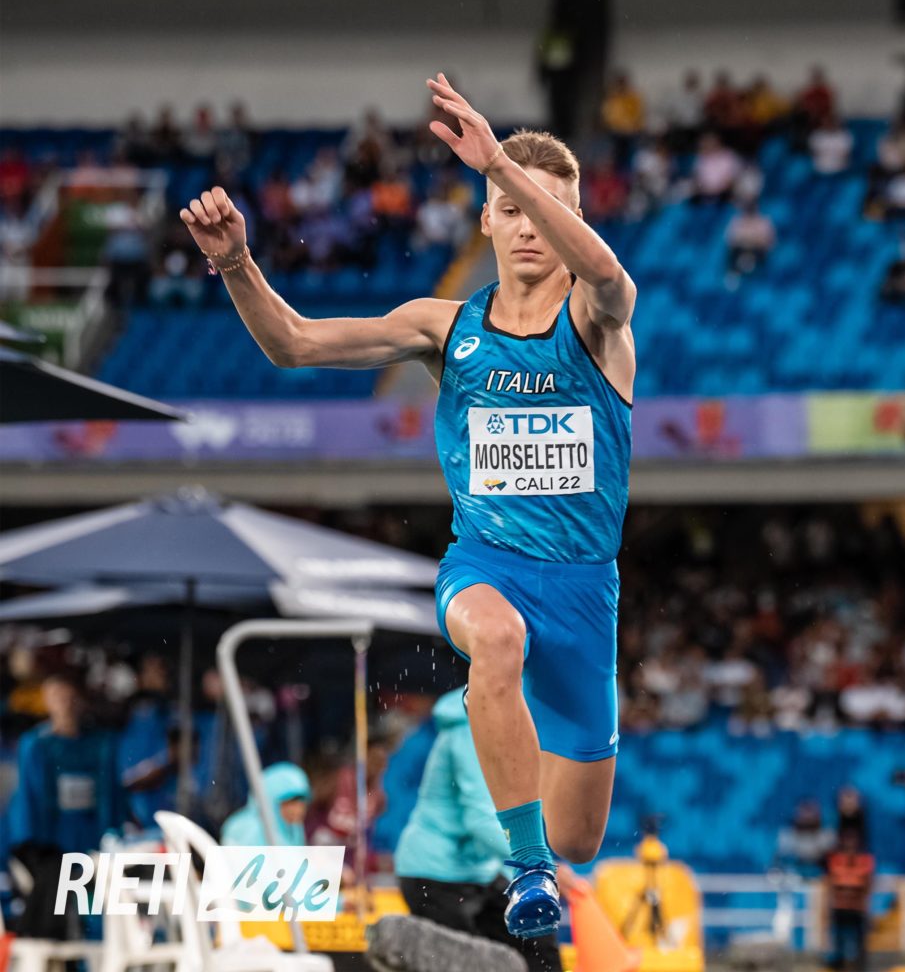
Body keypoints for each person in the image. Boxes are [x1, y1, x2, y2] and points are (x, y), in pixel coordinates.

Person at [178, 71, 638, 945]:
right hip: (487, 566)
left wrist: (499, 164)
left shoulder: (597, 321)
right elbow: (293, 344)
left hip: (585, 592)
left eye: (547, 210)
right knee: (494, 642)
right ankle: (525, 869)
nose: (529, 225)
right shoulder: (445, 326)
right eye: (511, 209)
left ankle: (549, 854)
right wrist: (235, 261)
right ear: (486, 222)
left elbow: (609, 275)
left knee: (581, 835)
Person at [394, 688, 562, 969]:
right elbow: (480, 820)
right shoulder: (468, 733)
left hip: (479, 872)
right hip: (433, 874)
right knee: (465, 963)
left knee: (537, 942)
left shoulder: (507, 731)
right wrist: (537, 865)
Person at [6, 672, 124, 940]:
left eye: (70, 697)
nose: (65, 704)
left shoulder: (102, 744)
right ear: (47, 702)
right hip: (52, 839)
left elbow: (112, 794)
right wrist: (34, 845)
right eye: (57, 697)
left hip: (92, 834)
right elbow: (29, 800)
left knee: (104, 892)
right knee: (56, 886)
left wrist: (113, 832)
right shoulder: (36, 745)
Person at [220, 762, 311, 846]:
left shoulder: (294, 829)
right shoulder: (247, 830)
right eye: (291, 803)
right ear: (271, 801)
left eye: (301, 802)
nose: (298, 809)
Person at [823, 826, 875, 971]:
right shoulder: (835, 860)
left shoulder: (865, 860)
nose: (850, 843)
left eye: (853, 840)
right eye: (847, 840)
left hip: (857, 909)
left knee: (859, 941)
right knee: (838, 939)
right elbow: (830, 884)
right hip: (839, 907)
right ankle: (838, 964)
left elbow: (868, 885)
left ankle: (859, 966)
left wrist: (866, 906)